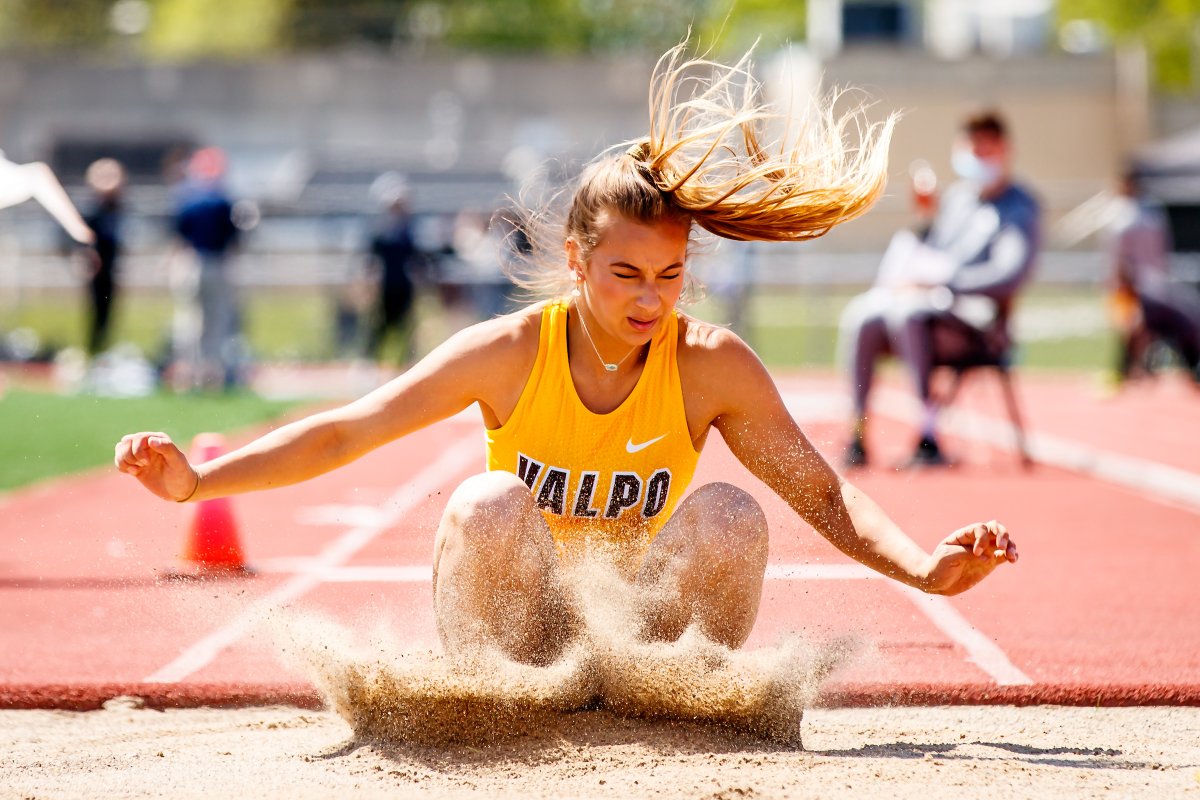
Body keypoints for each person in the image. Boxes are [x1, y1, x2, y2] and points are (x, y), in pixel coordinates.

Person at [115, 46, 1017, 668]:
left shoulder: (711, 364)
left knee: (736, 515)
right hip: (515, 627)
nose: (650, 298)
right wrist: (197, 485)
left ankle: (670, 696)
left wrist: (926, 572)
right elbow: (348, 434)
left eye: (669, 274)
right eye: (625, 273)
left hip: (637, 633)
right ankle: (488, 701)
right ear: (579, 260)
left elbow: (823, 493)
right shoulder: (510, 352)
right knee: (490, 500)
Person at [837, 111, 1041, 468]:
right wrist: (925, 218)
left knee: (908, 313)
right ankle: (857, 435)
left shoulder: (1019, 207)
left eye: (985, 148)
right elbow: (934, 253)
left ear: (1003, 149)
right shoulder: (959, 199)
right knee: (863, 315)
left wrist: (947, 282)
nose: (977, 157)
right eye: (970, 147)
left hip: (978, 325)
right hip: (931, 309)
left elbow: (1010, 273)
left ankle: (928, 436)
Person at [1106, 168, 1200, 385]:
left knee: (1134, 326)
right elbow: (1163, 250)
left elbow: (1120, 259)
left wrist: (1117, 282)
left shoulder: (1122, 217)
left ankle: (1126, 371)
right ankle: (1142, 369)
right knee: (1152, 328)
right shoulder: (1154, 214)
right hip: (1158, 282)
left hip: (1137, 284)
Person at [171, 147, 243, 391]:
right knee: (216, 320)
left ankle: (186, 371)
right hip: (216, 262)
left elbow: (179, 235)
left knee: (189, 318)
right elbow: (234, 238)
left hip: (191, 261)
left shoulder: (187, 198)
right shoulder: (223, 201)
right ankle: (211, 374)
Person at [363, 172, 421, 365]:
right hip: (386, 286)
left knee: (406, 328)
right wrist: (370, 285)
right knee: (380, 327)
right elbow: (371, 262)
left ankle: (405, 364)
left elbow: (417, 260)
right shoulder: (381, 231)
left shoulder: (409, 231)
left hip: (403, 286)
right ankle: (371, 362)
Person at [80, 158, 126, 357]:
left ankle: (103, 349)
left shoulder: (116, 207)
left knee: (109, 310)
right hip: (96, 267)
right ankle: (93, 349)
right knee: (95, 310)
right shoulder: (93, 209)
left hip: (111, 265)